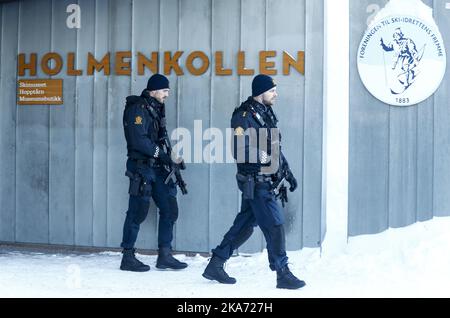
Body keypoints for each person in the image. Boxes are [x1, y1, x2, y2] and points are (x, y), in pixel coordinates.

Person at [202, 74, 306, 289]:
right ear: (260, 92)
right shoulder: (243, 116)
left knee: (244, 226)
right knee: (275, 224)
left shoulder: (266, 113)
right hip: (255, 180)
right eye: (272, 90)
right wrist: (266, 159)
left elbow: (274, 146)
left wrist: (287, 172)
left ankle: (216, 263)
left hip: (264, 179)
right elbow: (240, 149)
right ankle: (282, 273)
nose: (276, 94)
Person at [120, 74, 187, 272]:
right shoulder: (137, 109)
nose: (167, 94)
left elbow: (158, 138)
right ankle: (128, 256)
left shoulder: (156, 108)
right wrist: (163, 156)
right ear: (153, 91)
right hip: (141, 167)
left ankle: (165, 255)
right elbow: (139, 141)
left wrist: (171, 156)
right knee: (137, 211)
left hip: (157, 168)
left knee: (170, 208)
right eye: (165, 91)